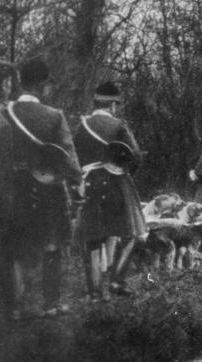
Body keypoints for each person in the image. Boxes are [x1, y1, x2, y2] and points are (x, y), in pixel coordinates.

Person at [3, 58, 82, 316]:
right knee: (51, 245)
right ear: (43, 86)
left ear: (21, 83)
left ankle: (13, 307)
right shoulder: (54, 116)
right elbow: (69, 159)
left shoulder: (5, 113)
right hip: (48, 190)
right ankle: (50, 304)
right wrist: (77, 186)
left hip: (12, 189)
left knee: (13, 247)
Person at [73, 81, 143, 277]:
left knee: (93, 236)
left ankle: (94, 291)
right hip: (116, 183)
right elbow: (135, 155)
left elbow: (73, 157)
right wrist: (126, 173)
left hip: (88, 183)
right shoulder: (119, 125)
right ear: (113, 105)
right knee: (129, 233)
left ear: (95, 103)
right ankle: (116, 278)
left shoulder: (81, 126)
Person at [80, 141, 146, 298]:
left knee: (130, 239)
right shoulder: (92, 173)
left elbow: (131, 203)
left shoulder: (124, 176)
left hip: (117, 215)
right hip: (96, 215)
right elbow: (84, 198)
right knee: (93, 247)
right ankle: (95, 292)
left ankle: (116, 282)